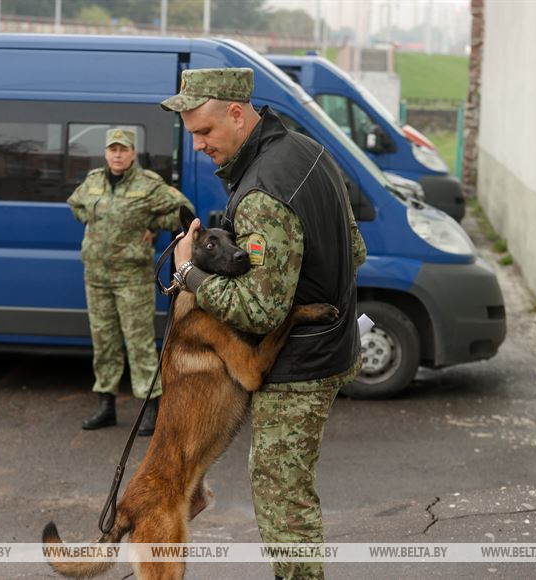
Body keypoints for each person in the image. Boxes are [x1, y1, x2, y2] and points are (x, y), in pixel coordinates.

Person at [161, 69, 367, 579]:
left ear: (237, 114)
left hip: (301, 363)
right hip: (333, 344)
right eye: (192, 136)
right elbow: (355, 250)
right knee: (288, 487)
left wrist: (189, 275)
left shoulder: (261, 191)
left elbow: (259, 312)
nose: (199, 146)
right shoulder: (306, 150)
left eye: (205, 132)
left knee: (282, 498)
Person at [67, 127, 193, 436]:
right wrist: (91, 223)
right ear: (106, 152)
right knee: (104, 342)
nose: (118, 154)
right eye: (113, 149)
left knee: (138, 344)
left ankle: (151, 408)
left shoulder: (148, 185)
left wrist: (153, 224)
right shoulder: (94, 180)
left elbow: (184, 211)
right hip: (96, 276)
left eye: (123, 149)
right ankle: (105, 405)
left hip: (131, 278)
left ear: (133, 153)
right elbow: (76, 205)